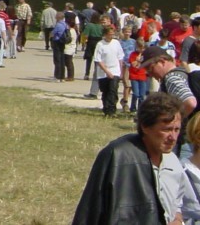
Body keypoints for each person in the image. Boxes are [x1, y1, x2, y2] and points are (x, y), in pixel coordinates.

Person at [73, 92, 185, 224]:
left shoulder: (173, 162)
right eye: (166, 130)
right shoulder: (118, 156)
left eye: (176, 130)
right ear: (145, 127)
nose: (173, 137)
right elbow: (90, 210)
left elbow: (177, 203)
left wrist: (177, 218)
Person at [95, 25, 124, 117]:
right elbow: (98, 60)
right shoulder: (100, 44)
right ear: (105, 34)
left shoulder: (116, 43)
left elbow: (120, 57)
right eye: (109, 34)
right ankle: (106, 109)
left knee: (113, 90)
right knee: (105, 91)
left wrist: (121, 71)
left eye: (113, 34)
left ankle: (112, 110)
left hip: (115, 70)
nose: (111, 36)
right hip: (103, 72)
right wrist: (107, 72)